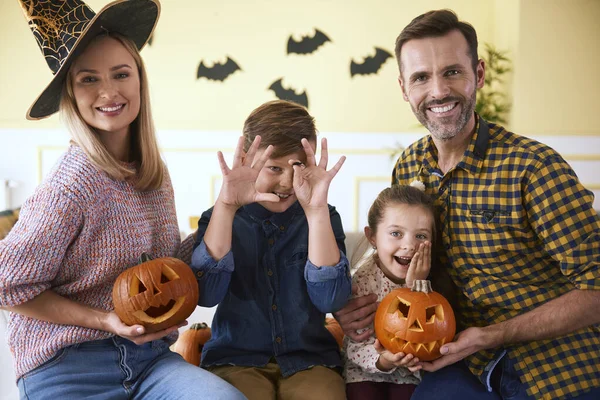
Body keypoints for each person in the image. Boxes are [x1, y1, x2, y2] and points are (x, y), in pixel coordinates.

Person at [335, 9, 600, 400]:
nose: (438, 91)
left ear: (478, 74)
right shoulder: (409, 166)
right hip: (458, 360)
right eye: (421, 77)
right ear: (405, 88)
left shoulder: (534, 168)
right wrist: (356, 310)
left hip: (555, 364)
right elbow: (399, 270)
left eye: (452, 72)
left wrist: (494, 334)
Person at [0, 1, 245, 399]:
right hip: (67, 367)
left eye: (121, 74)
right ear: (71, 93)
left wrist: (227, 205)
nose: (109, 92)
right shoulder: (71, 186)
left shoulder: (153, 173)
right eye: (88, 79)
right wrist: (104, 320)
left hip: (149, 361)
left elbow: (167, 269)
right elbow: (5, 282)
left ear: (139, 82)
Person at [190, 99, 351, 400]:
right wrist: (226, 205)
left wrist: (315, 212)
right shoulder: (220, 218)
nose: (287, 182)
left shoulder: (324, 217)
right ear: (246, 162)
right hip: (235, 359)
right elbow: (206, 294)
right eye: (274, 168)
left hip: (311, 361)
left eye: (299, 167)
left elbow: (330, 297)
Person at [343, 184, 435, 400]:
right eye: (396, 233)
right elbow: (356, 344)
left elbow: (431, 329)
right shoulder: (363, 282)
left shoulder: (429, 277)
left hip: (409, 375)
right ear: (372, 236)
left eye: (420, 236)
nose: (409, 245)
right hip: (365, 372)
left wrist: (416, 287)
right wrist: (384, 360)